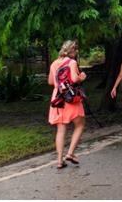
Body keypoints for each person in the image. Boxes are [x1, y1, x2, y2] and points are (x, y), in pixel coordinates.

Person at [48, 40, 87, 169]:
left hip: (58, 98)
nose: (76, 52)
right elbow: (75, 79)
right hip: (71, 98)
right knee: (80, 125)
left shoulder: (54, 63)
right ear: (71, 50)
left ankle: (59, 161)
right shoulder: (72, 62)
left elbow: (51, 82)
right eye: (75, 50)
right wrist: (82, 76)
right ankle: (70, 153)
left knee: (61, 129)